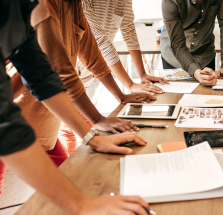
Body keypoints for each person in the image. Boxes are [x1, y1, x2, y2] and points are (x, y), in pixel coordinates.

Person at [0, 0, 150, 213]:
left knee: (73, 178)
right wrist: (80, 205)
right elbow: (58, 70)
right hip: (17, 110)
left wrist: (93, 135)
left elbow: (42, 74)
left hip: (31, 112)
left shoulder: (37, 5)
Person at [80, 0, 169, 95]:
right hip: (70, 71)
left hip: (86, 75)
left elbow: (129, 32)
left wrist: (142, 74)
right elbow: (100, 41)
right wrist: (130, 85)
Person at [161, 0, 223, 87]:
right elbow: (177, 44)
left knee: (208, 97)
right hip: (175, 59)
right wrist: (196, 71)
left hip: (205, 55)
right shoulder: (169, 1)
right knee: (176, 98)